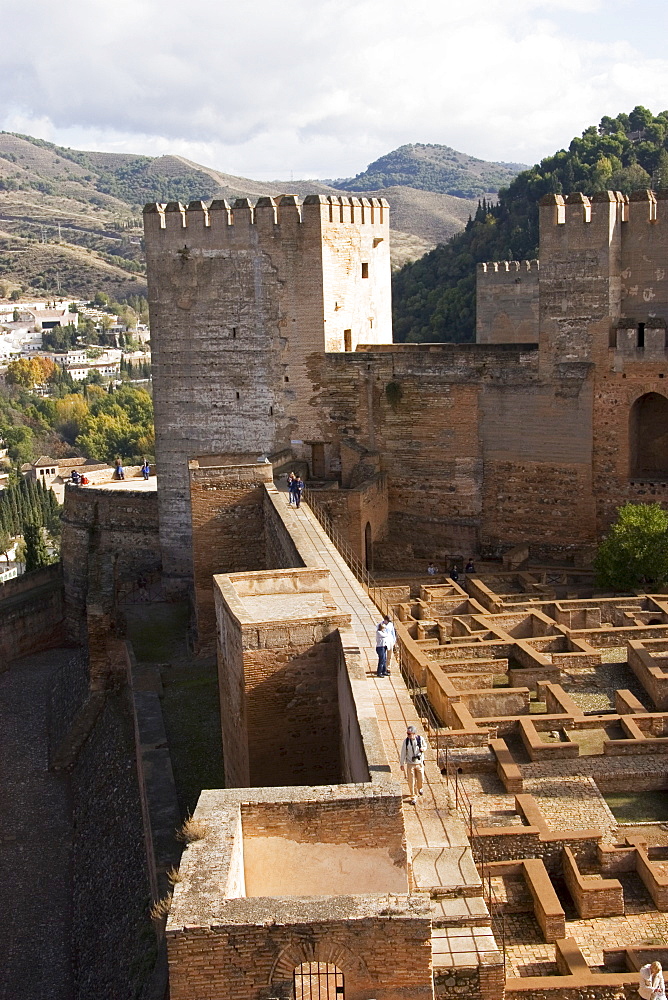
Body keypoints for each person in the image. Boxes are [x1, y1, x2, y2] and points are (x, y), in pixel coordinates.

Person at [400, 724, 427, 805]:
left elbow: (425, 746)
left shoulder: (420, 739)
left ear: (414, 734)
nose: (408, 735)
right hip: (410, 764)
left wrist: (423, 749)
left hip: (419, 763)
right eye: (407, 733)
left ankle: (420, 788)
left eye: (409, 734)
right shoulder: (406, 741)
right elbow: (403, 753)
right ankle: (413, 797)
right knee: (411, 781)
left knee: (421, 779)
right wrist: (402, 764)